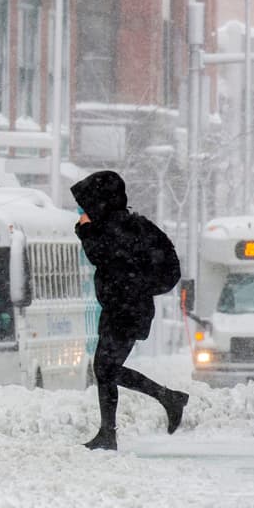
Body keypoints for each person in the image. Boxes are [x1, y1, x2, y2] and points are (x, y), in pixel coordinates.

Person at [71, 170, 188, 451]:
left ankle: (166, 399)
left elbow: (102, 256)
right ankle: (111, 430)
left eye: (88, 204)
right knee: (105, 368)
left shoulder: (117, 227)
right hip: (123, 305)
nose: (85, 211)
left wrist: (84, 230)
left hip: (126, 307)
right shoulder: (129, 225)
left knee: (105, 368)